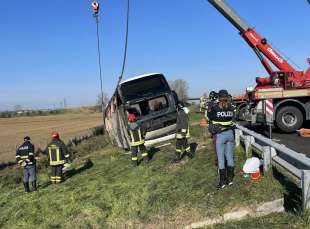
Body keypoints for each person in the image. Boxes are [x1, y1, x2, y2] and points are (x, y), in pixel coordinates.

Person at [207, 89, 235, 190]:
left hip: (220, 135)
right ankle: (230, 180)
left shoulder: (215, 108)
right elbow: (233, 119)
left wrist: (210, 107)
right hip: (230, 134)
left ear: (219, 97)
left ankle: (222, 182)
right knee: (230, 157)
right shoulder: (231, 108)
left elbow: (209, 117)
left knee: (221, 159)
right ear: (227, 97)